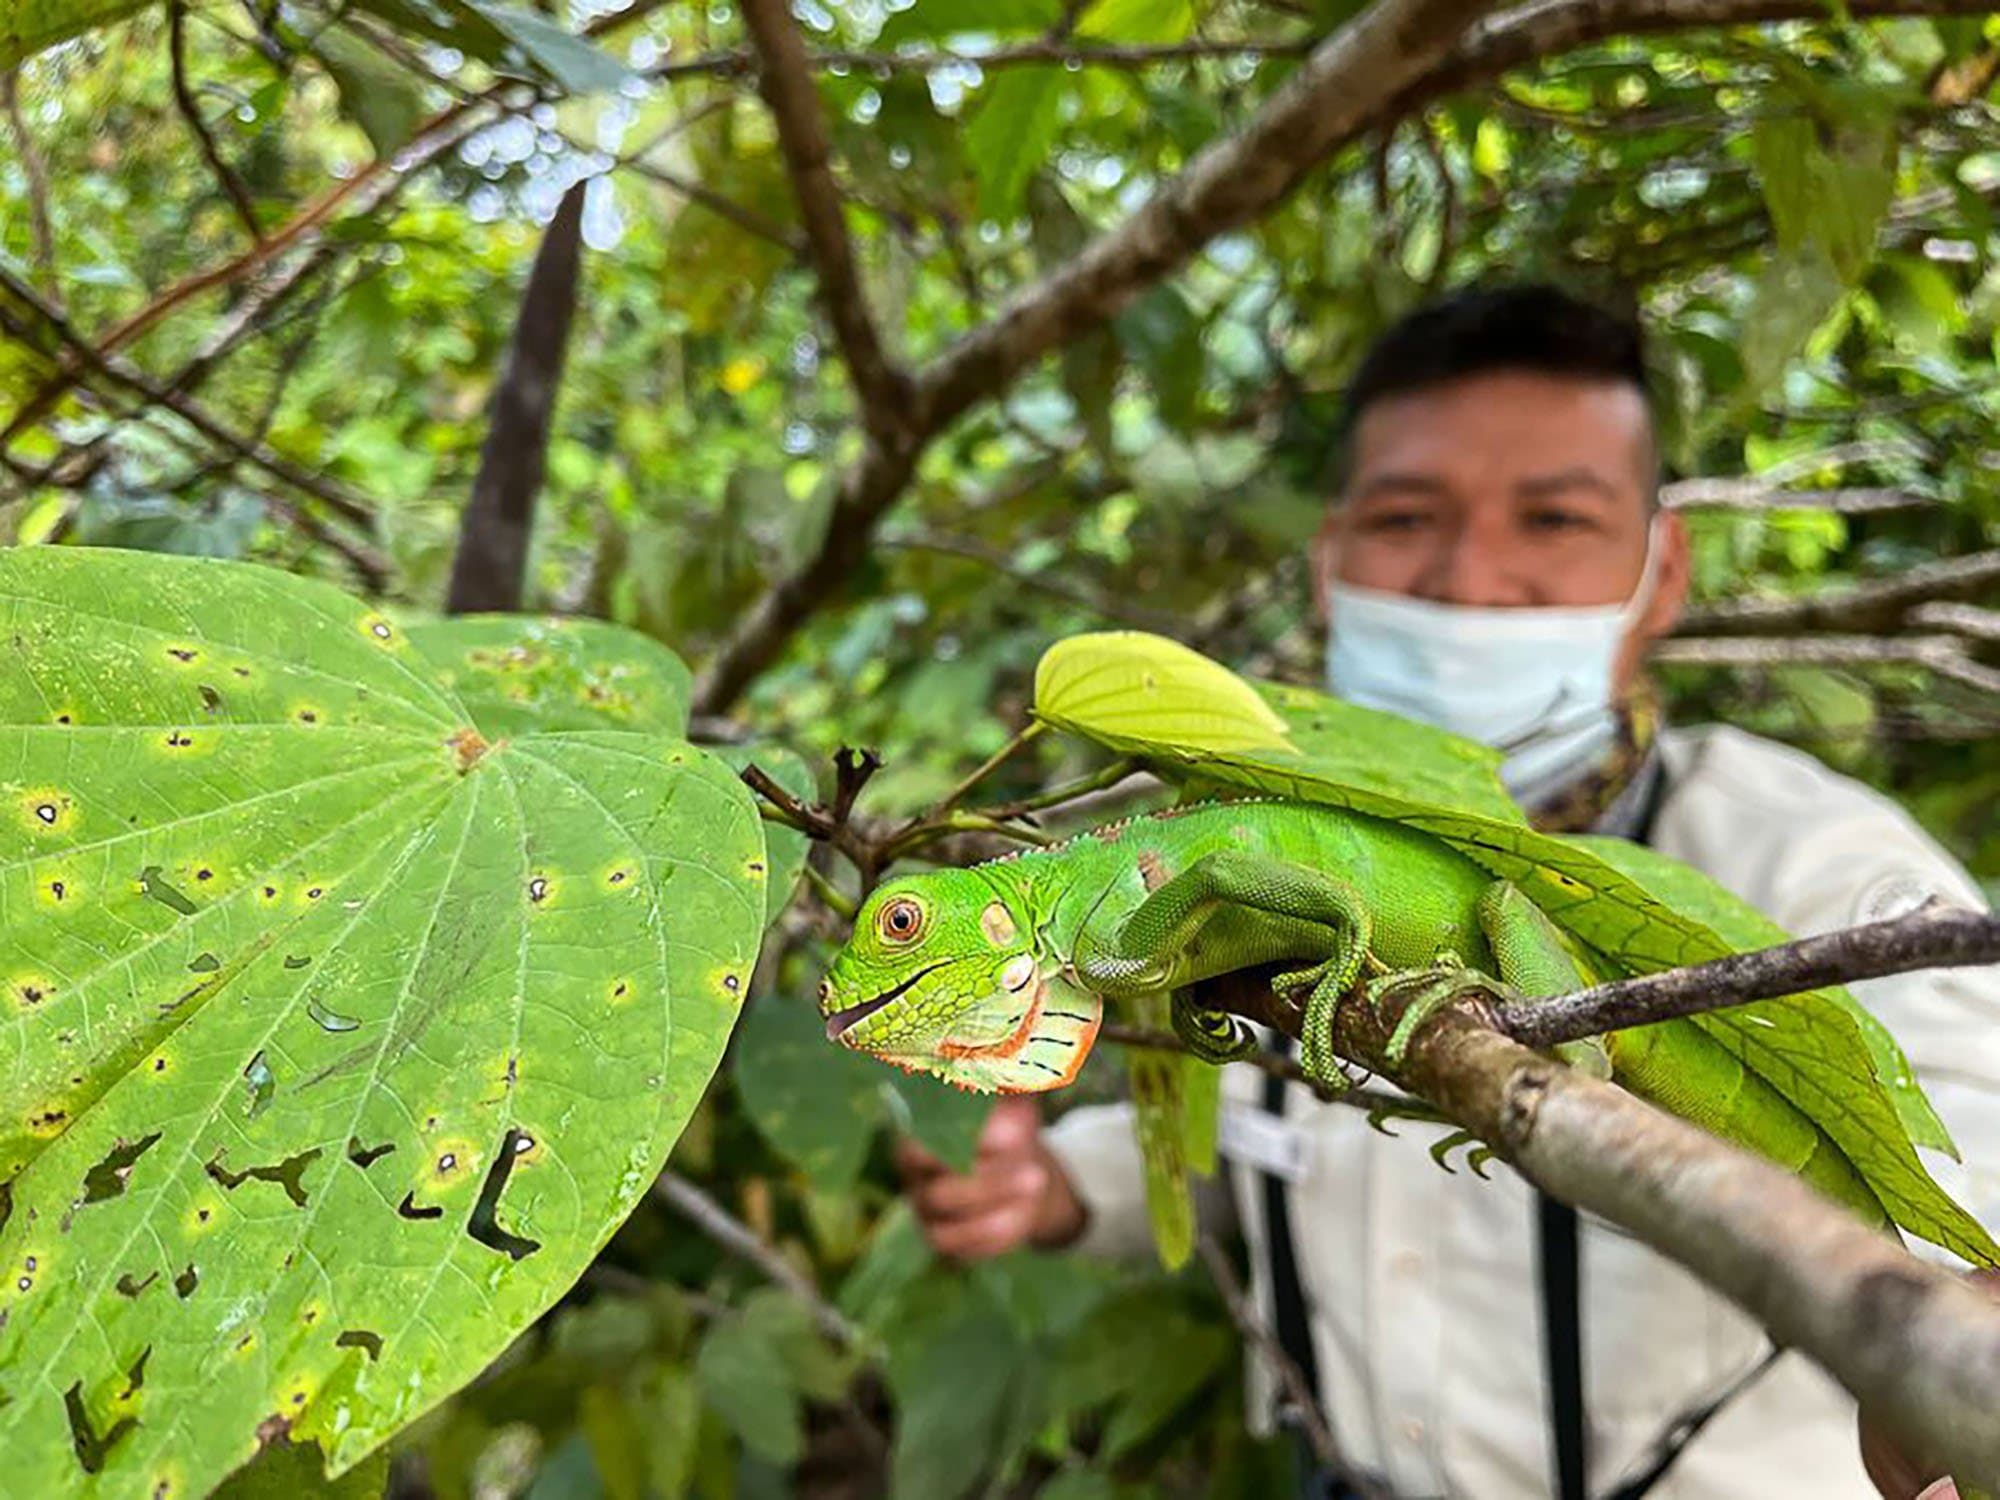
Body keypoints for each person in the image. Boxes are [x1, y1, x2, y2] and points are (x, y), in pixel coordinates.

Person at [893, 286, 2000, 1500]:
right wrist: (1061, 1185)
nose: (1469, 579)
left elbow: (1967, 1151)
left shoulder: (1821, 867)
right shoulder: (1264, 824)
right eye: (1407, 515)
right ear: (1327, 563)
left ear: (1660, 568)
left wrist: (1957, 1347)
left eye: (1553, 517)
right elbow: (1262, 1143)